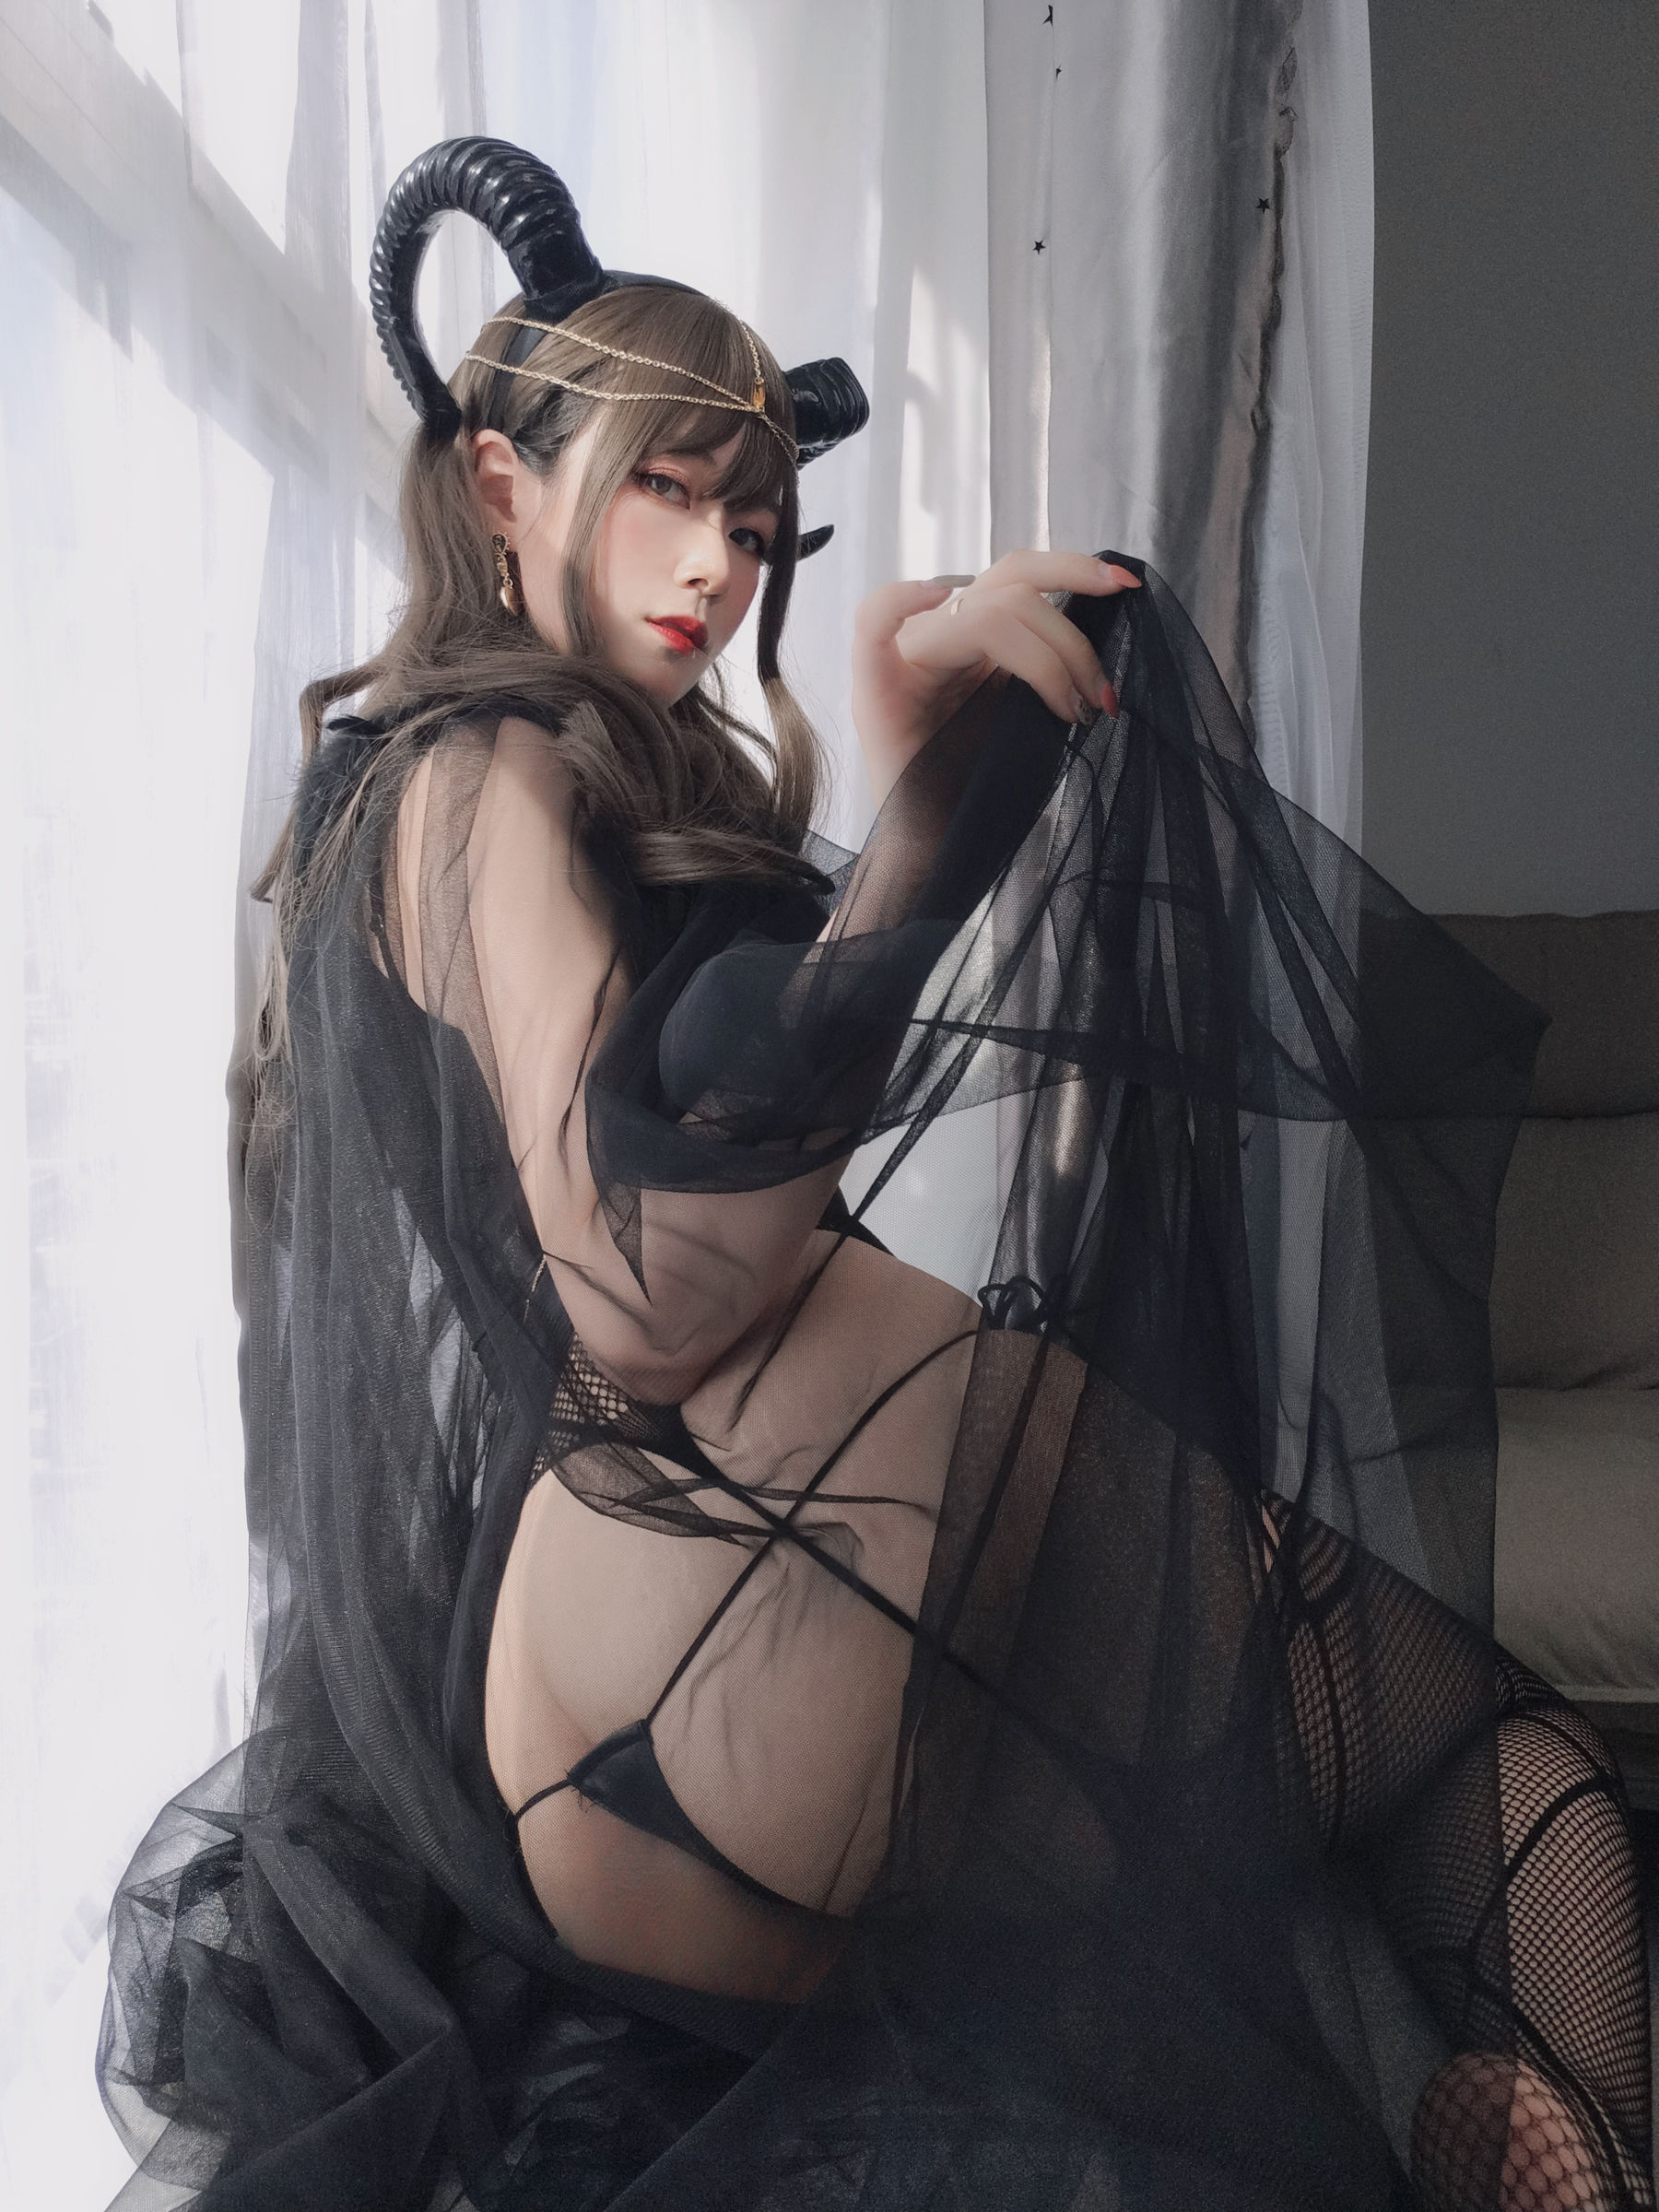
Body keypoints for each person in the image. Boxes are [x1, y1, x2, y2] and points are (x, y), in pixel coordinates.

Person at [100, 138, 1652, 2212]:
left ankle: (1538, 2128)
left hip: (645, 1732)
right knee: (1499, 1758)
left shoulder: (511, 787)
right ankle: (1586, 2129)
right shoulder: (476, 775)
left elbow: (700, 1174)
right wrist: (950, 802)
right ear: (497, 487)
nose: (719, 565)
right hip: (728, 1591)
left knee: (1401, 1799)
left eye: (754, 523)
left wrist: (905, 778)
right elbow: (646, 1295)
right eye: (664, 491)